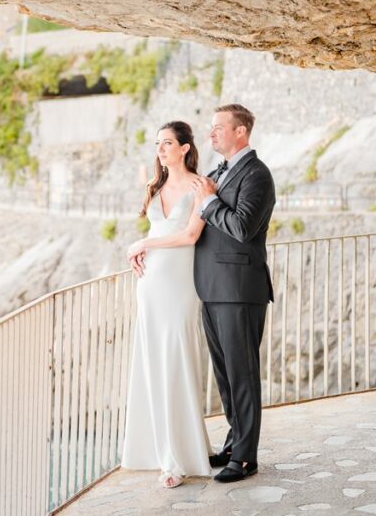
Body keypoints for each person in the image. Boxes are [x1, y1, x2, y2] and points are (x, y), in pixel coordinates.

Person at [128, 104, 275, 484]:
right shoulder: (216, 173)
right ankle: (232, 442)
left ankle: (245, 459)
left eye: (218, 128)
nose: (211, 135)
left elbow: (242, 226)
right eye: (210, 129)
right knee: (226, 375)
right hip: (209, 287)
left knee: (242, 374)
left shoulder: (257, 174)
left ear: (240, 132)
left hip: (240, 288)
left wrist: (208, 201)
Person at [120, 120, 212, 489]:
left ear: (185, 148)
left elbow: (190, 235)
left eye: (168, 142)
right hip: (150, 283)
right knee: (151, 361)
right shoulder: (153, 186)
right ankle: (154, 451)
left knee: (177, 359)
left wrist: (143, 245)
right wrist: (141, 249)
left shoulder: (200, 186)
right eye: (158, 143)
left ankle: (180, 457)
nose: (160, 149)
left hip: (179, 283)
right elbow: (156, 231)